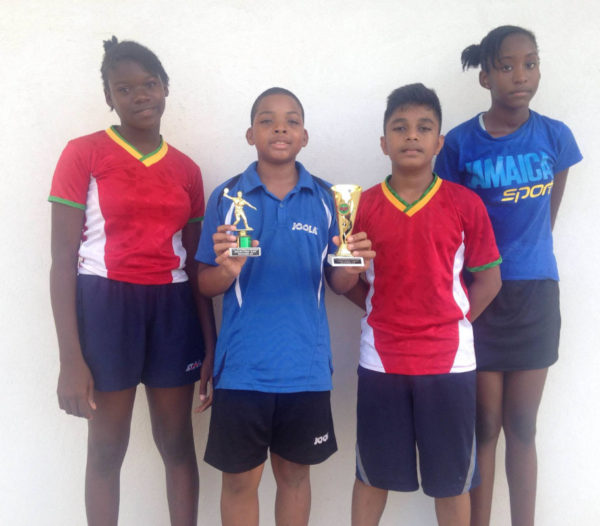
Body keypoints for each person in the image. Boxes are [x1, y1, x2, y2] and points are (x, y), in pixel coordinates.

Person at [49, 37, 216, 526]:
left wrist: (210, 345)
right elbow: (62, 260)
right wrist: (70, 359)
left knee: (177, 443)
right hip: (105, 304)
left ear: (165, 88)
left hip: (171, 310)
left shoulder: (187, 170)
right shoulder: (85, 154)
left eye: (149, 84)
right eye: (125, 88)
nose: (140, 95)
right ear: (110, 98)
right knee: (107, 447)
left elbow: (194, 264)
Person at [195, 87, 374, 526]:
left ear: (305, 136)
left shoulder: (330, 200)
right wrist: (228, 269)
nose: (280, 127)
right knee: (239, 482)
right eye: (267, 119)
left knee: (294, 478)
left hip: (305, 367)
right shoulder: (227, 196)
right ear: (250, 134)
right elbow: (204, 284)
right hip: (242, 368)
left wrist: (354, 265)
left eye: (292, 120)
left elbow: (337, 282)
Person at [334, 83, 502, 526]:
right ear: (384, 142)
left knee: (452, 482)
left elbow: (489, 280)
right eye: (400, 128)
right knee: (373, 475)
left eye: (424, 128)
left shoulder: (464, 204)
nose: (412, 136)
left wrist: (453, 322)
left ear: (438, 142)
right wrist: (369, 298)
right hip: (382, 360)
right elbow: (343, 282)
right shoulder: (360, 206)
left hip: (448, 363)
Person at [434, 26, 583, 526]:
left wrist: (527, 257)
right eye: (506, 66)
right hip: (480, 294)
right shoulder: (457, 144)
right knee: (485, 425)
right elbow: (450, 221)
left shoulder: (555, 137)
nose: (521, 76)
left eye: (530, 63)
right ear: (484, 76)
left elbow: (549, 212)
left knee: (522, 425)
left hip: (537, 293)